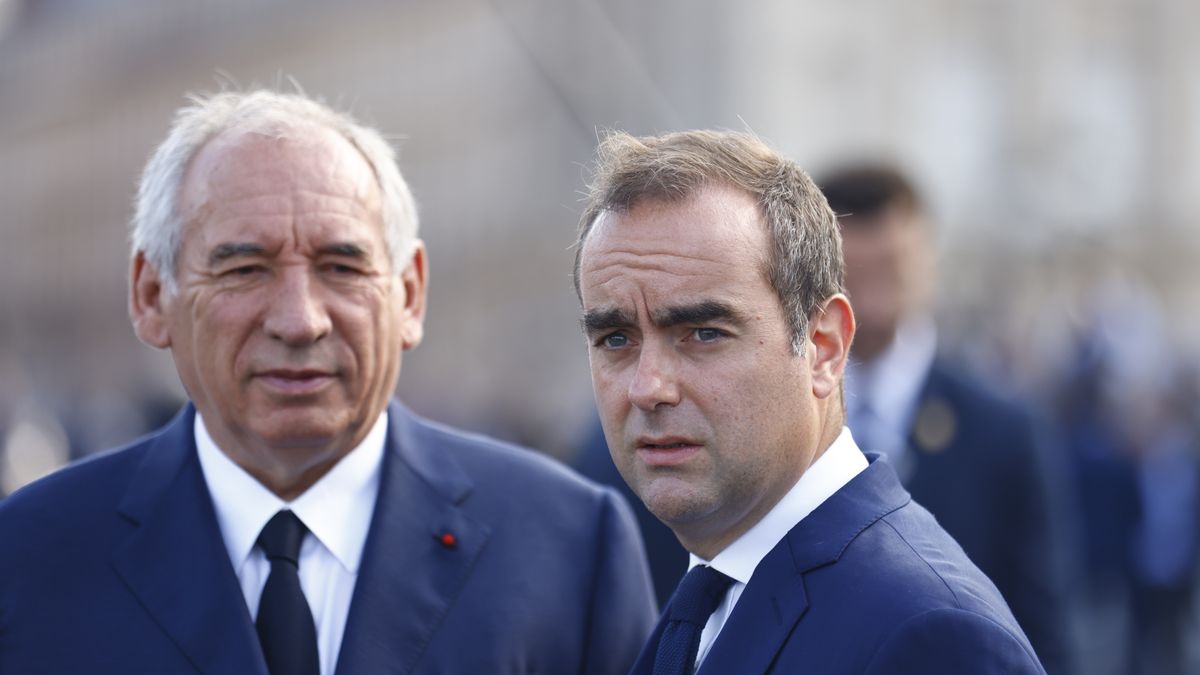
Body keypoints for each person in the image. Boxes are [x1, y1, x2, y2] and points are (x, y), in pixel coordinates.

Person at [0, 90, 656, 674]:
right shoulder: (29, 556)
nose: (299, 319)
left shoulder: (569, 547)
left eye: (342, 266)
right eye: (244, 269)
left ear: (409, 294)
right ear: (150, 295)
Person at [573, 130, 1046, 674]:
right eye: (615, 339)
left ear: (823, 347)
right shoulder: (708, 595)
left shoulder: (933, 637)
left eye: (703, 333)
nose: (648, 386)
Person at [822, 164, 1076, 674]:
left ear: (926, 263)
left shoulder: (1003, 430)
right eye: (855, 274)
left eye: (889, 270)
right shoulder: (778, 421)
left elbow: (1042, 627)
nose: (870, 297)